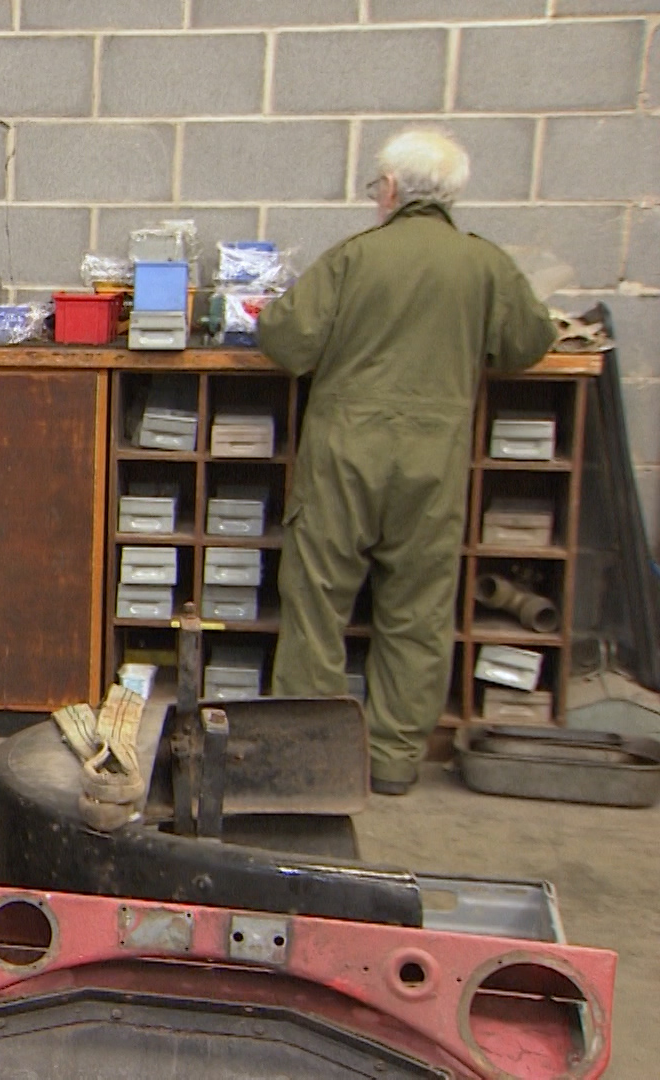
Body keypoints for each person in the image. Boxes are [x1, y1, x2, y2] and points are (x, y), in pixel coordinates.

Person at [257, 128, 556, 796]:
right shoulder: (485, 265)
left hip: (344, 457)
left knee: (316, 608)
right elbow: (527, 342)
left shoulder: (355, 258)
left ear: (389, 190)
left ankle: (311, 763)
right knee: (417, 614)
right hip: (432, 461)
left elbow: (289, 342)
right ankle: (393, 762)